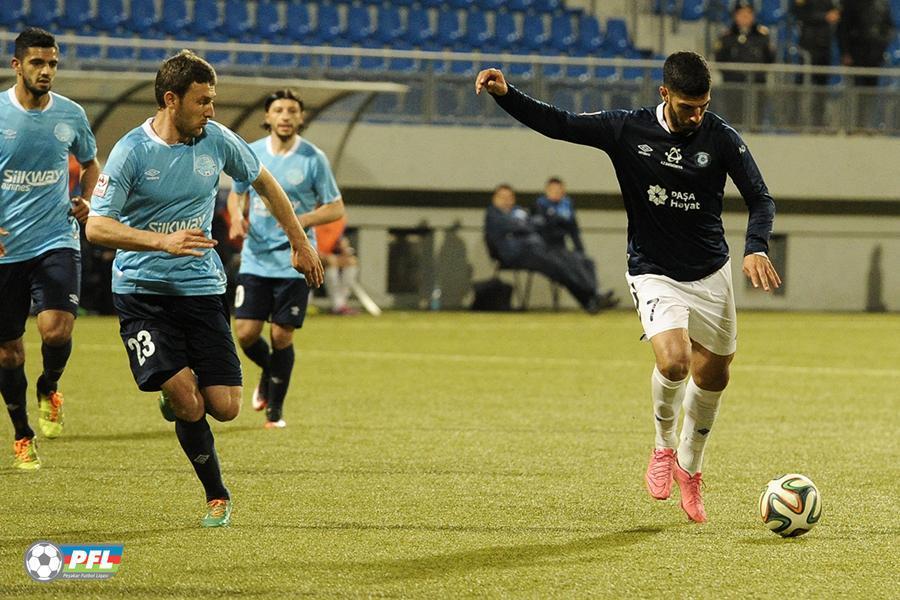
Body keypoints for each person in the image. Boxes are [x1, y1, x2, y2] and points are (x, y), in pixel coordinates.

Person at [475, 51, 781, 523]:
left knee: (714, 377)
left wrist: (756, 246)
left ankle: (690, 468)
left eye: (703, 106)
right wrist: (506, 95)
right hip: (653, 270)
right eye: (687, 107)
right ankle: (662, 447)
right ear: (664, 94)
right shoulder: (627, 129)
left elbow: (760, 198)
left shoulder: (721, 137)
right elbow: (561, 124)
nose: (696, 116)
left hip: (710, 273)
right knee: (674, 361)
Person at [85, 51, 323, 527]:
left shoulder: (216, 139)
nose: (211, 110)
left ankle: (175, 389)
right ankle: (217, 494)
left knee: (226, 408)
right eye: (203, 101)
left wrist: (300, 242)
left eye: (212, 100)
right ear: (171, 100)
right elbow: (96, 226)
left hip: (201, 289)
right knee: (188, 400)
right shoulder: (132, 151)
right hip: (142, 293)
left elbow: (265, 182)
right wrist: (161, 241)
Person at [0, 28, 99, 470]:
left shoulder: (71, 114)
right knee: (8, 351)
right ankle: (22, 433)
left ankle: (49, 385)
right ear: (17, 65)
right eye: (37, 63)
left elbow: (91, 163)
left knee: (56, 332)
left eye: (53, 63)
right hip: (6, 248)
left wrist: (87, 199)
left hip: (56, 238)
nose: (46, 71)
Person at [227, 89, 344, 428]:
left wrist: (299, 221)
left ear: (301, 118)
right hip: (256, 257)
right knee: (246, 333)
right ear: (268, 117)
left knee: (281, 336)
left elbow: (336, 207)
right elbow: (236, 194)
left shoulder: (312, 158)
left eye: (292, 110)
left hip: (295, 259)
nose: (286, 116)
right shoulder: (252, 152)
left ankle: (275, 412)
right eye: (279, 110)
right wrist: (236, 216)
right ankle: (269, 370)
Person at [484, 184, 617, 313]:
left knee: (567, 264)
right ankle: (591, 296)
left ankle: (591, 299)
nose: (507, 200)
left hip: (534, 251)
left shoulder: (518, 211)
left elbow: (532, 225)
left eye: (509, 197)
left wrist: (525, 226)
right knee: (558, 265)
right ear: (495, 198)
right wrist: (526, 225)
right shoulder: (493, 214)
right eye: (502, 197)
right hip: (513, 255)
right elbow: (526, 226)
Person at [713, 0, 775, 126]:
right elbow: (720, 59)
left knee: (756, 119)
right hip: (734, 84)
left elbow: (769, 58)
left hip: (757, 84)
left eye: (748, 13)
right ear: (735, 16)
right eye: (741, 14)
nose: (745, 17)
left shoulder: (762, 35)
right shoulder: (727, 36)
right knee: (735, 119)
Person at [837, 0, 895, 129]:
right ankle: (853, 125)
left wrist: (882, 43)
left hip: (875, 54)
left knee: (871, 91)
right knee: (855, 90)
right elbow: (843, 28)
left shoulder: (882, 3)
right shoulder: (851, 3)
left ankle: (868, 125)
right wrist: (845, 52)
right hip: (856, 54)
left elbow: (889, 26)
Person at [790, 0, 841, 127]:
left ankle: (818, 121)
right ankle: (795, 120)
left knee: (821, 87)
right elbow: (799, 13)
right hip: (808, 47)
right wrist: (824, 17)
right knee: (801, 83)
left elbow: (836, 11)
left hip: (825, 47)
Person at [315, 215, 360, 315]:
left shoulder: (339, 220)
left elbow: (339, 239)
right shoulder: (314, 216)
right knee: (332, 261)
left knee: (351, 262)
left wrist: (344, 248)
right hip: (311, 253)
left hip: (329, 255)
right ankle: (337, 304)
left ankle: (341, 303)